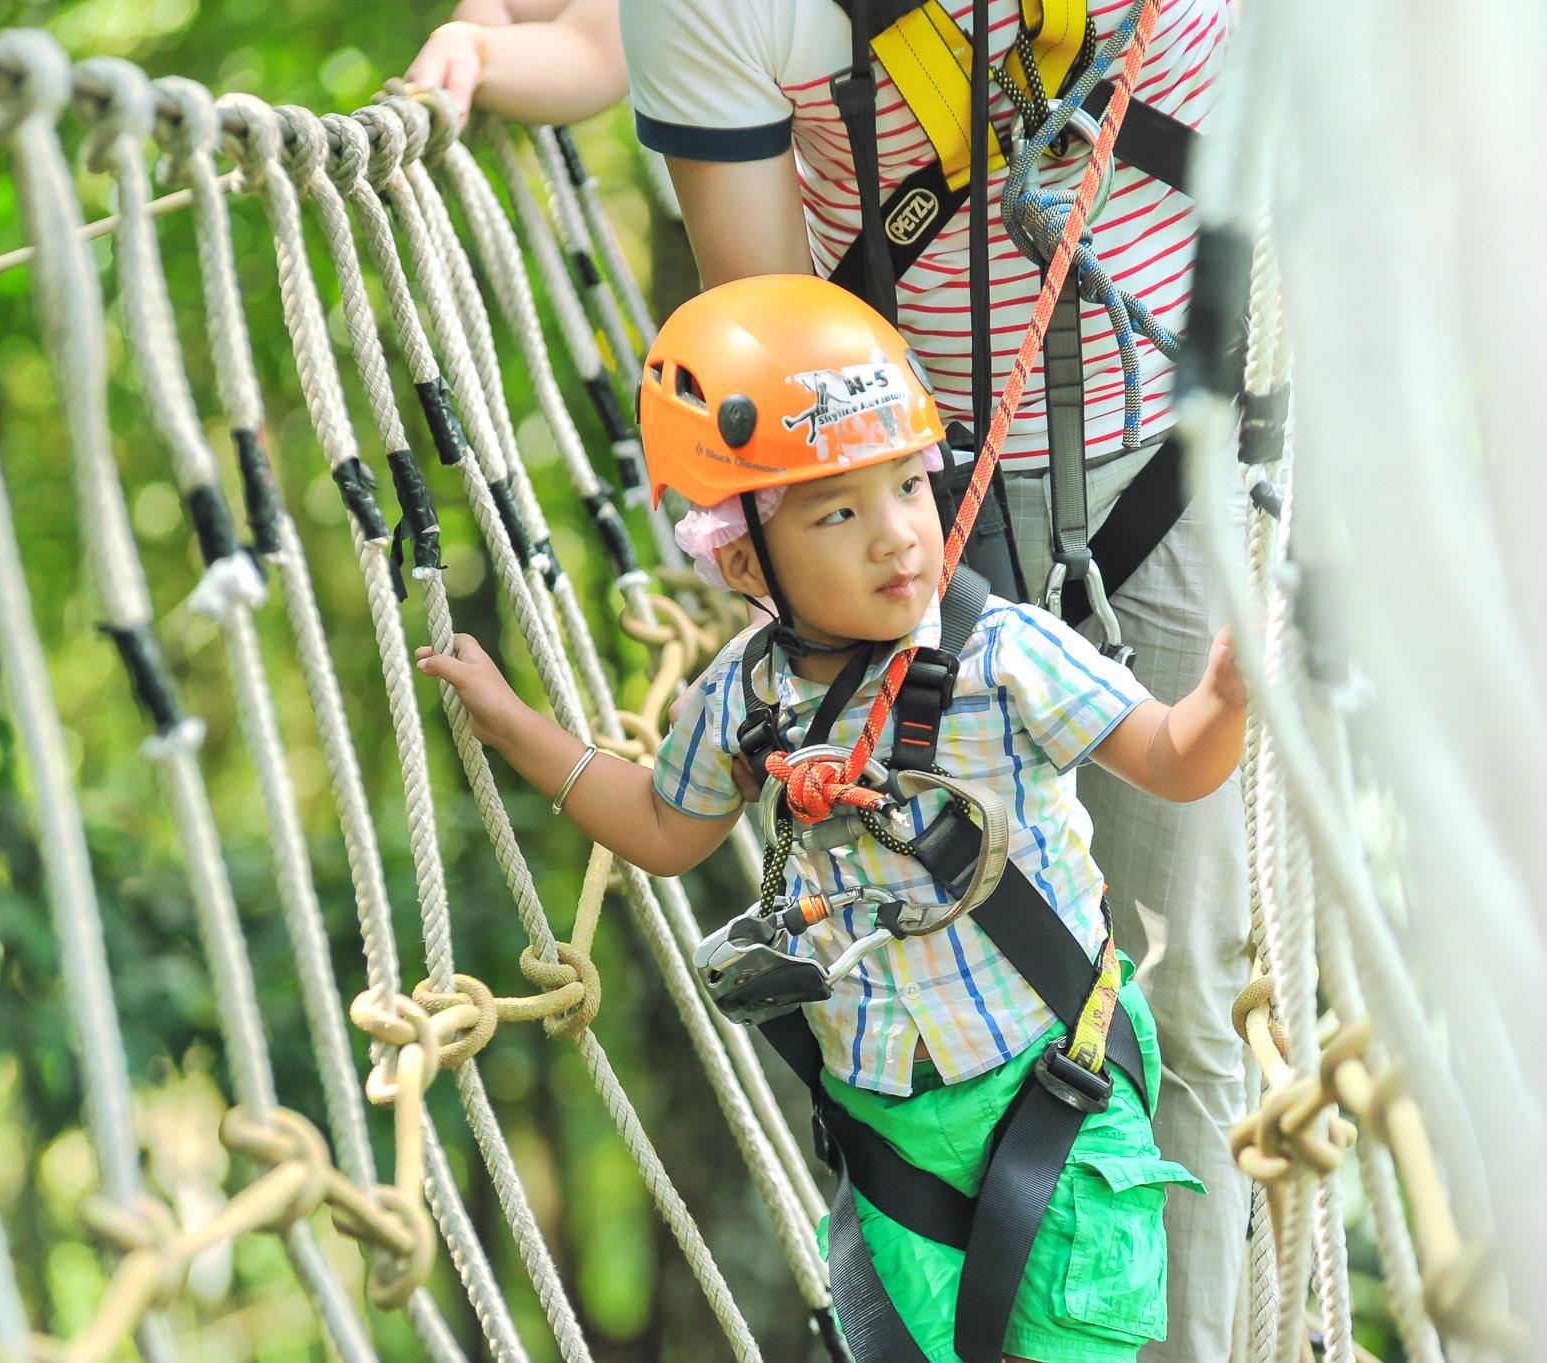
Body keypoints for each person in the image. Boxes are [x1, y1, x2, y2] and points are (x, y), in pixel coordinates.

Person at [407, 6, 1251, 1361]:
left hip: (1172, 445)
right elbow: (788, 376)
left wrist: (1243, 679)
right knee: (925, 1072)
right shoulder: (759, 685)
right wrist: (521, 723)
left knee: (1187, 997)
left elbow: (1172, 752)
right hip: (897, 489)